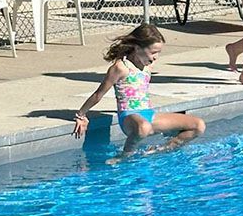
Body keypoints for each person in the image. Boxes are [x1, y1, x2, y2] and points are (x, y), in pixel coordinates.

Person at [73, 23, 206, 155]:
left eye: (158, 53)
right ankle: (125, 156)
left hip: (149, 115)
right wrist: (81, 115)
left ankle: (159, 150)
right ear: (137, 48)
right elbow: (98, 95)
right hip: (129, 117)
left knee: (198, 125)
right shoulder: (120, 68)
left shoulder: (148, 66)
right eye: (153, 52)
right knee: (144, 127)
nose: (155, 57)